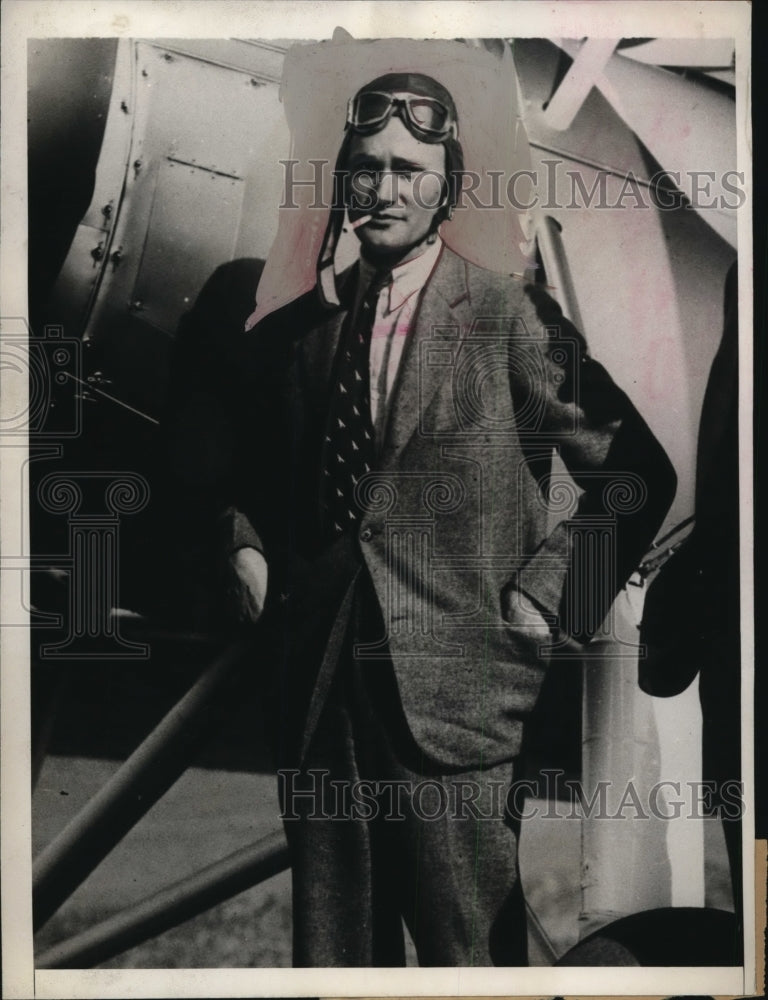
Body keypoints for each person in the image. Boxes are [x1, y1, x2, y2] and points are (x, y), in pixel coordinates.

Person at [179, 72, 677, 966]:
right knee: (335, 970)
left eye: (411, 169)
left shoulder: (508, 319)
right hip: (322, 711)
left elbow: (640, 474)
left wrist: (544, 604)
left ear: (448, 186)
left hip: (456, 713)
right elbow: (251, 469)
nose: (384, 189)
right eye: (366, 168)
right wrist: (241, 541)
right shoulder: (309, 333)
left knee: (472, 965)